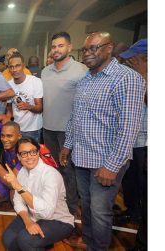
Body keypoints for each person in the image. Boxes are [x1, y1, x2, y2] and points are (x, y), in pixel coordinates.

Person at [59, 32, 146, 251]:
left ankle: (98, 247)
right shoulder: (85, 79)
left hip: (105, 161)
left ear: (109, 48)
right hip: (82, 156)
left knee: (100, 210)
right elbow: (75, 117)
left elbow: (129, 127)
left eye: (94, 48)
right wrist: (68, 145)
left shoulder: (127, 78)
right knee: (86, 205)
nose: (88, 53)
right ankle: (89, 241)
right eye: (85, 50)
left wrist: (112, 165)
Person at [41, 32, 87, 220]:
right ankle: (57, 202)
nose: (56, 49)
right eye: (54, 46)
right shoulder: (45, 71)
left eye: (60, 46)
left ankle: (71, 208)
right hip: (48, 129)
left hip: (69, 131)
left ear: (69, 47)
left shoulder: (81, 70)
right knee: (53, 168)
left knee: (69, 170)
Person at [2, 137, 74, 251]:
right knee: (8, 241)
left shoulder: (50, 175)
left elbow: (47, 213)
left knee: (25, 240)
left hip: (57, 220)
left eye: (33, 152)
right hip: (33, 216)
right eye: (24, 153)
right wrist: (27, 221)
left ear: (38, 152)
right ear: (18, 157)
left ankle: (40, 243)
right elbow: (18, 201)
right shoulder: (22, 173)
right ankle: (43, 244)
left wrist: (20, 188)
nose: (29, 156)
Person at [118, 39, 148, 251]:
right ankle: (133, 211)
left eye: (134, 59)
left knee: (144, 183)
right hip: (133, 136)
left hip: (147, 139)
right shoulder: (132, 76)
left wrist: (144, 75)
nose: (129, 63)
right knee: (130, 177)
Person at [6, 52, 43, 142]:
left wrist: (28, 106)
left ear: (23, 66)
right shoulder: (8, 85)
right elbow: (9, 108)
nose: (14, 69)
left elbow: (40, 108)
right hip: (16, 129)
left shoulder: (35, 81)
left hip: (33, 129)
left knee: (31, 155)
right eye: (11, 67)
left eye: (17, 66)